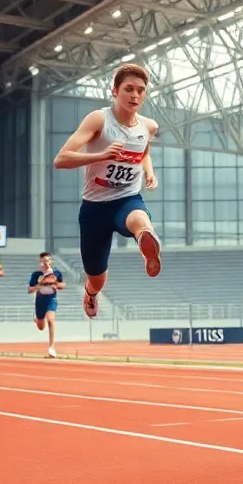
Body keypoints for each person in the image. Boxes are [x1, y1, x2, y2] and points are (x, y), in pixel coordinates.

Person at [53, 64, 162, 320]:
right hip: (94, 209)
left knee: (139, 220)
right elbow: (61, 159)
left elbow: (143, 152)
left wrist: (149, 172)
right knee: (97, 278)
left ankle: (146, 241)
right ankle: (91, 293)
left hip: (127, 197)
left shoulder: (149, 127)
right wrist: (100, 155)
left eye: (140, 90)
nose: (135, 95)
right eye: (128, 89)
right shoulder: (99, 120)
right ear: (114, 90)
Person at [28, 252, 65, 358]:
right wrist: (39, 286)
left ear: (51, 261)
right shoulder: (36, 275)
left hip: (51, 299)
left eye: (48, 260)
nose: (46, 263)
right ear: (40, 262)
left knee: (50, 320)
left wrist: (56, 285)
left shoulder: (56, 273)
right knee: (41, 327)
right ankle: (37, 319)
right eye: (44, 260)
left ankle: (51, 347)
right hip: (40, 300)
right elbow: (30, 290)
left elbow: (63, 285)